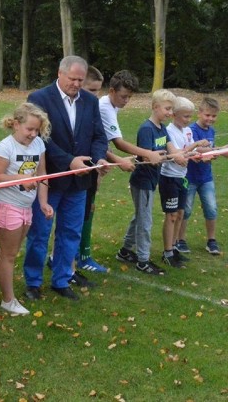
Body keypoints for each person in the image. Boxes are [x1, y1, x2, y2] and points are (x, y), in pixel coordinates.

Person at [22, 55, 109, 302]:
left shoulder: (90, 102)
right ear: (60, 74)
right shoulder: (39, 98)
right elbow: (40, 138)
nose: (77, 84)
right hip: (50, 180)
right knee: (40, 233)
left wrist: (99, 158)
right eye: (73, 79)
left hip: (80, 181)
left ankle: (61, 279)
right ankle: (33, 282)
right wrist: (68, 160)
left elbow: (99, 136)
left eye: (81, 80)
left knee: (71, 232)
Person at [0, 102, 53, 315]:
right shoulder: (5, 147)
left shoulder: (38, 145)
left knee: (7, 250)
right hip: (6, 205)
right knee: (10, 254)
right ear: (16, 125)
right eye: (30, 129)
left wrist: (43, 203)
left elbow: (43, 176)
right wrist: (20, 178)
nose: (33, 134)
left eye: (37, 130)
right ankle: (8, 301)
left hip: (27, 206)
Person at [74, 67, 135, 274]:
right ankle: (76, 257)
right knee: (78, 211)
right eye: (91, 91)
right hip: (83, 166)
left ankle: (80, 255)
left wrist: (108, 160)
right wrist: (119, 159)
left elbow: (101, 141)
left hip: (94, 164)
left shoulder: (104, 106)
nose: (126, 101)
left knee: (86, 209)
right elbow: (116, 143)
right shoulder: (103, 107)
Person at [116, 89, 179, 275]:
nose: (170, 113)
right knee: (145, 221)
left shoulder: (162, 128)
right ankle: (143, 261)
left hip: (152, 180)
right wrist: (162, 157)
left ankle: (125, 251)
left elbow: (170, 148)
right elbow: (144, 157)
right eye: (167, 109)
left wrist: (184, 154)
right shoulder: (146, 129)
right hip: (142, 181)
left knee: (140, 217)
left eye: (171, 109)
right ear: (155, 107)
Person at [176, 96, 228, 255]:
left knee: (211, 208)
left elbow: (210, 150)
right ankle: (180, 240)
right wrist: (217, 151)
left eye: (214, 116)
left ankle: (211, 241)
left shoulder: (211, 131)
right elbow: (194, 150)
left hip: (206, 178)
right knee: (185, 210)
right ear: (199, 113)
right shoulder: (191, 130)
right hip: (190, 177)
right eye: (207, 115)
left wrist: (219, 151)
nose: (210, 119)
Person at [159, 97, 204, 268]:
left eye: (190, 117)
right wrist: (194, 148)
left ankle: (174, 246)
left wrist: (208, 153)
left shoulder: (187, 131)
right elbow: (178, 153)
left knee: (179, 214)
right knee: (171, 215)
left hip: (182, 177)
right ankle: (167, 252)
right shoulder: (168, 131)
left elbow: (190, 151)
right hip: (169, 177)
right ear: (174, 115)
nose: (188, 120)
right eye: (185, 116)